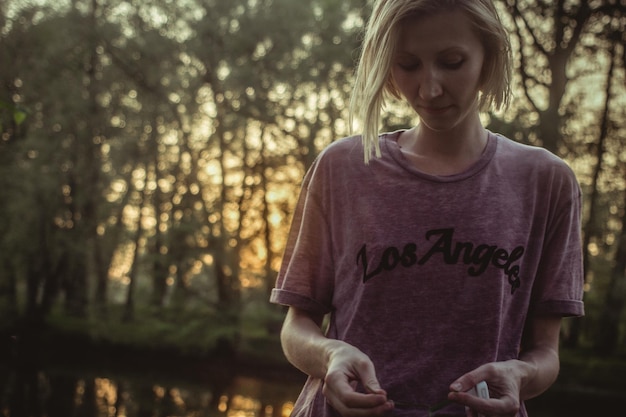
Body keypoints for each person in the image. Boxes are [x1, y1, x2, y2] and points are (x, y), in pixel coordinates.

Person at [270, 0, 584, 416]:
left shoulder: (546, 180)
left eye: (452, 62)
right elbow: (297, 327)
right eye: (407, 64)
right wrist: (329, 355)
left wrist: (520, 377)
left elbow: (545, 350)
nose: (429, 88)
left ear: (489, 56)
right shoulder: (342, 168)